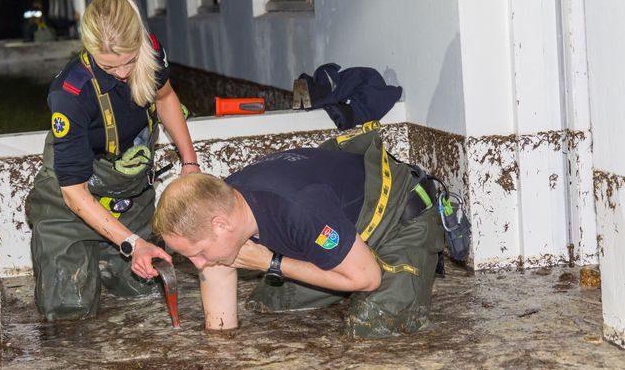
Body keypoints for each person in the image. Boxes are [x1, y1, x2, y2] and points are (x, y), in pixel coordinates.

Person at [153, 124, 445, 338]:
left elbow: (367, 279)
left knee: (371, 323)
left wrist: (272, 263)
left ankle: (389, 267)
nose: (198, 264)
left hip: (398, 222)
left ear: (221, 225)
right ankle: (343, 261)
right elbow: (219, 311)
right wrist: (221, 362)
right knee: (268, 302)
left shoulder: (300, 208)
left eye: (199, 253)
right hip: (336, 227)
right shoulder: (223, 204)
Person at [26, 0, 200, 321]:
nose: (122, 73)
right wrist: (133, 243)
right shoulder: (70, 94)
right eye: (110, 66)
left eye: (130, 61)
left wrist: (190, 164)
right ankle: (84, 258)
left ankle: (109, 257)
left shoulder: (151, 51)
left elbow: (165, 98)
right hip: (70, 204)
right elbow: (73, 192)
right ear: (90, 51)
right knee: (69, 310)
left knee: (146, 294)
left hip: (128, 197)